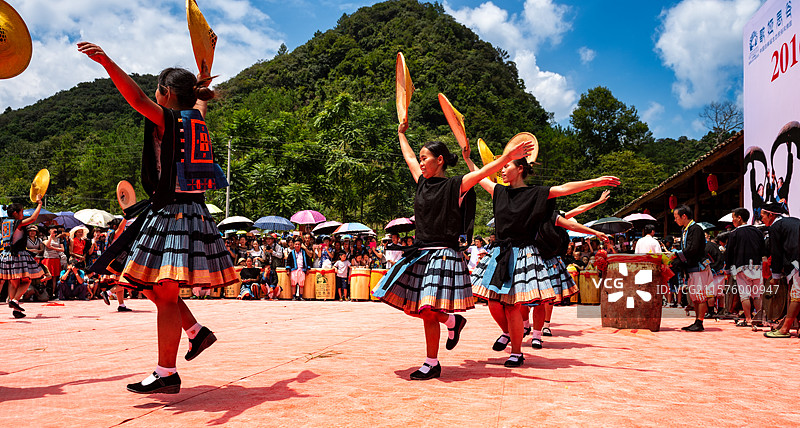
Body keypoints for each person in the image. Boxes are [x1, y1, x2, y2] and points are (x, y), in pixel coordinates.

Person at [78, 42, 238, 394]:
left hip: (172, 214)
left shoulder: (169, 121)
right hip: (191, 212)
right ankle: (195, 332)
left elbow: (136, 99)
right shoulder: (196, 119)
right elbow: (199, 102)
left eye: (157, 89)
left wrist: (107, 62)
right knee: (151, 286)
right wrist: (202, 82)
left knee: (162, 294)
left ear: (165, 94)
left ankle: (167, 372)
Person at [372, 121, 535, 380]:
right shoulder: (421, 182)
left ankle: (431, 362)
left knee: (426, 309)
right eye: (421, 159)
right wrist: (401, 134)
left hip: (443, 254)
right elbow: (409, 157)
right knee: (415, 308)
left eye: (425, 158)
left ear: (439, 160)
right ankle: (452, 322)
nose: (421, 163)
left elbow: (485, 172)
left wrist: (507, 157)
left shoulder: (456, 185)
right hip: (420, 253)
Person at [465, 147, 617, 366]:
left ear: (520, 169)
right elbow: (479, 176)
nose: (501, 170)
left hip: (523, 253)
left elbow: (564, 189)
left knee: (513, 305)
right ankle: (508, 332)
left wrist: (595, 182)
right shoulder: (498, 191)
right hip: (499, 252)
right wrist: (468, 158)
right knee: (492, 302)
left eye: (506, 166)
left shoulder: (536, 194)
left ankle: (517, 351)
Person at [760, 203, 800, 338]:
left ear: (771, 215)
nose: (761, 220)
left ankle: (785, 329)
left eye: (763, 216)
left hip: (797, 262)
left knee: (796, 296)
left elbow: (776, 253)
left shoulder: (776, 227)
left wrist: (775, 276)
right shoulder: (794, 221)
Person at [1, 200, 45, 318]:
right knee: (27, 280)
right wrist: (39, 204)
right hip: (17, 254)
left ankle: (16, 309)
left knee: (13, 281)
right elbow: (33, 218)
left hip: (6, 255)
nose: (23, 214)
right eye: (22, 212)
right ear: (15, 213)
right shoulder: (16, 223)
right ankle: (15, 301)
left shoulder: (4, 222)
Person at [671, 205, 711, 332]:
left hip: (698, 267)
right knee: (695, 296)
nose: (675, 220)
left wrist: (677, 255)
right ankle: (697, 321)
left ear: (684, 216)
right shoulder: (686, 230)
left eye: (676, 217)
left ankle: (700, 322)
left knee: (700, 296)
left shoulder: (696, 229)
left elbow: (693, 249)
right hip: (692, 268)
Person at [725, 208, 766, 327]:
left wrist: (727, 269)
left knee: (744, 294)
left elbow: (729, 253)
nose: (732, 220)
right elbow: (764, 250)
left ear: (739, 218)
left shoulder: (734, 233)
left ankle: (748, 319)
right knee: (757, 294)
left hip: (741, 267)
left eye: (733, 217)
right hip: (757, 267)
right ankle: (759, 318)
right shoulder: (758, 232)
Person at [42, 227, 65, 298]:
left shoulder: (59, 239)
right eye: (52, 230)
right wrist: (50, 236)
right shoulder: (45, 237)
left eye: (55, 230)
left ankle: (53, 292)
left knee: (55, 277)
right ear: (49, 230)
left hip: (56, 259)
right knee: (47, 275)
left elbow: (62, 249)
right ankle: (43, 292)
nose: (54, 231)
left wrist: (52, 248)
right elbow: (47, 245)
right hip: (48, 258)